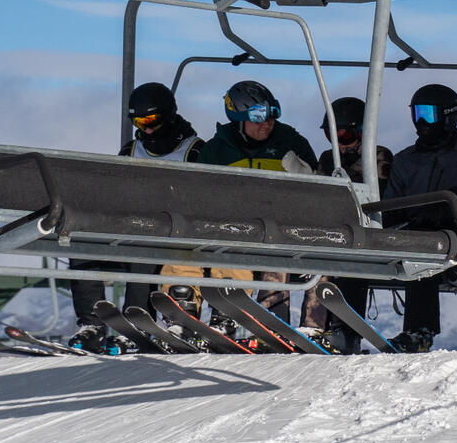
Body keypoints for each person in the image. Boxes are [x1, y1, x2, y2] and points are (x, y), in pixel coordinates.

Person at [68, 83, 203, 351]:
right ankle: (92, 325)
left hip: (175, 234)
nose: (147, 128)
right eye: (139, 121)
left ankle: (136, 324)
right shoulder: (132, 150)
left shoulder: (195, 151)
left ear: (168, 114)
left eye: (151, 120)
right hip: (135, 227)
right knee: (82, 247)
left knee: (144, 251)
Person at [175, 81, 320, 321]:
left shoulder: (292, 144)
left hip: (278, 230)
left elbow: (317, 195)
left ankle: (265, 319)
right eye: (258, 118)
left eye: (272, 116)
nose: (267, 124)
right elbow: (195, 198)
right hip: (232, 228)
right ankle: (184, 312)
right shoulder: (216, 152)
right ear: (239, 119)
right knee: (193, 252)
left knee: (269, 257)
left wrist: (304, 175)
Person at [382, 83, 457, 353]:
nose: (421, 122)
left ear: (448, 116)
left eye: (429, 114)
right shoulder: (405, 161)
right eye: (417, 113)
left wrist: (452, 210)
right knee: (363, 246)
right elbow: (388, 206)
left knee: (424, 251)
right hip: (409, 235)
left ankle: (420, 331)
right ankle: (344, 331)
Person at [297, 96, 394, 352]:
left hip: (366, 235)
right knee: (319, 259)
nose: (339, 145)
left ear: (362, 132)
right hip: (332, 233)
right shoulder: (328, 159)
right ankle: (312, 327)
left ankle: (347, 332)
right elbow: (319, 198)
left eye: (345, 136)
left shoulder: (378, 157)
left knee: (351, 261)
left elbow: (378, 198)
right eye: (333, 137)